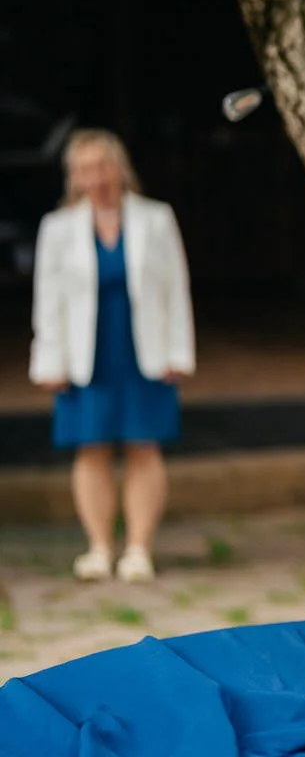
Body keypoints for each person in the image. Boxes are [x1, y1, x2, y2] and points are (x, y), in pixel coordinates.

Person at [30, 130, 195, 583]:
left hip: (144, 351)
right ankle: (99, 548)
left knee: (144, 446)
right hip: (86, 357)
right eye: (84, 169)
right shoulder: (58, 227)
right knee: (91, 448)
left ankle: (139, 549)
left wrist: (179, 351)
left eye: (101, 166)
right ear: (73, 177)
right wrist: (49, 360)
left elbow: (175, 288)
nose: (95, 177)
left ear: (119, 168)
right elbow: (48, 299)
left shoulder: (156, 218)